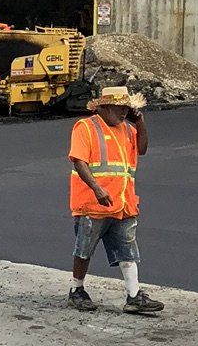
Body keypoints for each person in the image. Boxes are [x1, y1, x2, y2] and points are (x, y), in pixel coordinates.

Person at [68, 85, 164, 315]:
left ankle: (134, 296)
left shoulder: (128, 129)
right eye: (119, 108)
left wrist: (139, 121)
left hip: (122, 202)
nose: (123, 113)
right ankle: (76, 289)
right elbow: (79, 161)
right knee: (84, 250)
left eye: (126, 108)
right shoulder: (86, 128)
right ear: (103, 107)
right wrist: (97, 189)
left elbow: (142, 149)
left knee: (128, 250)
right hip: (93, 204)